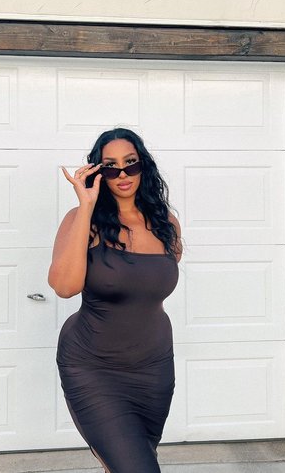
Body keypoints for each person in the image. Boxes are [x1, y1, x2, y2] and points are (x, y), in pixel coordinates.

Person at [48, 127, 182, 473]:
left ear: (143, 166)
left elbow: (152, 288)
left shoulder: (166, 224)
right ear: (98, 172)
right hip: (93, 367)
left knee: (128, 462)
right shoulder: (82, 220)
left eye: (130, 163)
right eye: (110, 166)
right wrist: (86, 207)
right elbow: (64, 287)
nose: (122, 174)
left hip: (153, 370)